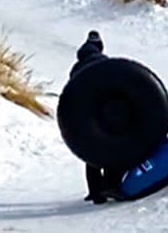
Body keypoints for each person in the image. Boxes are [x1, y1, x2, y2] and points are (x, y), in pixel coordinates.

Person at [69, 31, 125, 204]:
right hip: (106, 111)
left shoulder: (76, 69)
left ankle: (95, 192)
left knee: (92, 154)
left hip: (85, 116)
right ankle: (112, 186)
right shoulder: (105, 63)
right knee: (112, 149)